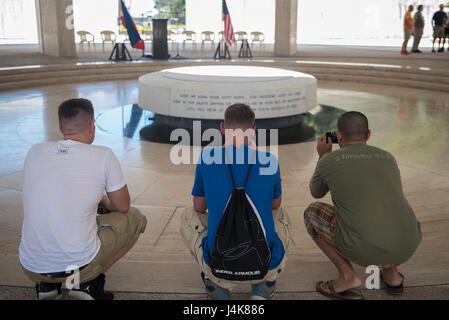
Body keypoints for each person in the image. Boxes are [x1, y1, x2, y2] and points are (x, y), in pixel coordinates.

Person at [19, 98, 147, 300]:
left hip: (31, 266)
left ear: (61, 127)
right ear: (92, 126)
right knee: (135, 218)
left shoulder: (35, 152)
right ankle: (85, 284)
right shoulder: (103, 155)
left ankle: (47, 287)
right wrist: (104, 201)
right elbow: (122, 206)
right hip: (78, 265)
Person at [304, 111, 422, 300]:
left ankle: (347, 277)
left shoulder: (329, 160)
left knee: (312, 212)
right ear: (368, 135)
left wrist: (323, 156)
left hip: (362, 248)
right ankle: (392, 276)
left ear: (339, 136)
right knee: (383, 206)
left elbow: (316, 192)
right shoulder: (388, 157)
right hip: (408, 243)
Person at [180, 103, 291, 300]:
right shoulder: (269, 160)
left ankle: (218, 285)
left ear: (222, 128)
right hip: (262, 263)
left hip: (220, 262)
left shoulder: (207, 158)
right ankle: (264, 284)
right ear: (253, 131)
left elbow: (199, 207)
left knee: (189, 216)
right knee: (281, 215)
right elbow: (275, 205)